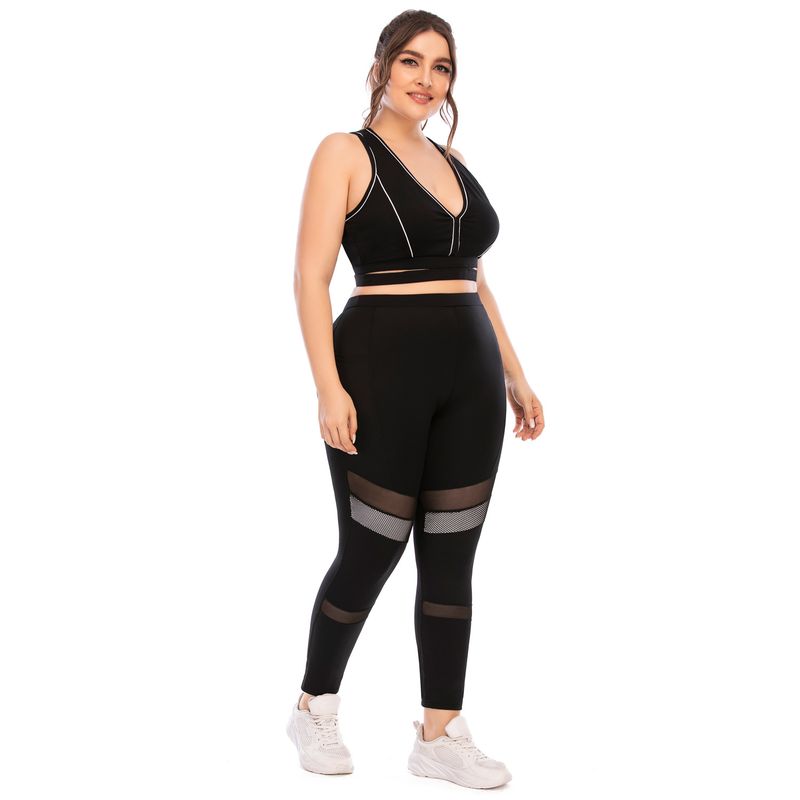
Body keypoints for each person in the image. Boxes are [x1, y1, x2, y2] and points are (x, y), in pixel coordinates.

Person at [286, 11, 544, 789]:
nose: (426, 79)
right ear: (381, 67)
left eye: (441, 66)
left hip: (470, 374)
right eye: (410, 61)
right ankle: (314, 705)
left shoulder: (451, 160)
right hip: (379, 366)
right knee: (371, 548)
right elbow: (310, 278)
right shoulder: (344, 152)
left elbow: (474, 276)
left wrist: (515, 372)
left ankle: (439, 733)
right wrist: (328, 386)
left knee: (452, 557)